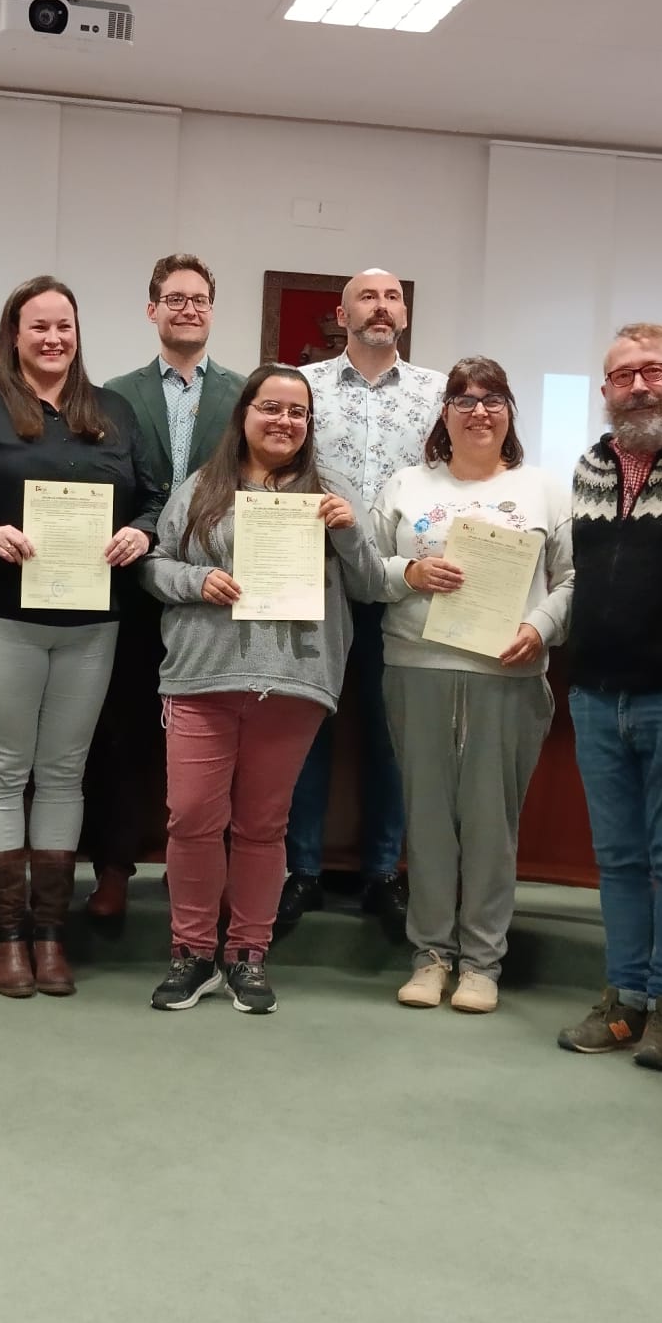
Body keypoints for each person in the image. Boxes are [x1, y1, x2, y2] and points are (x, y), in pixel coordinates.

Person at [0, 275, 165, 997]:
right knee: (2, 767)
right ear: (14, 335)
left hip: (92, 622)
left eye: (65, 326)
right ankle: (8, 937)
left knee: (63, 769)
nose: (53, 338)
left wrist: (140, 531)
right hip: (1, 617)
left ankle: (51, 936)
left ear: (77, 333)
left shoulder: (112, 411)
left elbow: (155, 495)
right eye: (38, 327)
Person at [142, 364, 381, 1012]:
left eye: (297, 413)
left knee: (261, 827)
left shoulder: (330, 493)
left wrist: (348, 530)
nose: (284, 421)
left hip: (293, 679)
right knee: (192, 817)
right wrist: (197, 583)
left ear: (309, 426)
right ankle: (192, 953)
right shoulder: (201, 488)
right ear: (244, 414)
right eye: (270, 408)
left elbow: (370, 584)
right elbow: (154, 567)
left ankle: (248, 955)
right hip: (202, 676)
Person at [370, 358, 573, 1013]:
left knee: (491, 822)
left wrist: (541, 627)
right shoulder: (406, 483)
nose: (479, 410)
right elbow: (363, 569)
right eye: (464, 398)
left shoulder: (543, 488)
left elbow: (576, 578)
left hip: (507, 675)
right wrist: (410, 573)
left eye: (493, 399)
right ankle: (430, 955)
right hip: (417, 667)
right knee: (427, 816)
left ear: (510, 411)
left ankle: (483, 961)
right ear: (444, 412)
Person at [559, 324, 662, 1069]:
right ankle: (624, 1002)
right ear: (605, 391)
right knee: (617, 858)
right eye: (624, 376)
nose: (641, 385)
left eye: (656, 371)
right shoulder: (589, 464)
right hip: (594, 694)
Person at [281, 269, 443, 936]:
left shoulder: (437, 393)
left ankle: (382, 874)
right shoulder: (304, 387)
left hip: (401, 583)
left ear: (404, 313)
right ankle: (300, 872)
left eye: (392, 297)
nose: (381, 307)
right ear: (340, 314)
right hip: (313, 581)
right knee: (303, 732)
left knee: (392, 737)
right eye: (367, 298)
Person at [89, 253, 245, 918]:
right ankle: (114, 871)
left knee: (223, 743)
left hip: (219, 595)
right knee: (120, 734)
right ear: (151, 310)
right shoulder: (110, 395)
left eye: (200, 299)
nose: (188, 309)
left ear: (213, 310)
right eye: (174, 299)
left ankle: (222, 884)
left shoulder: (245, 394)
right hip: (128, 590)